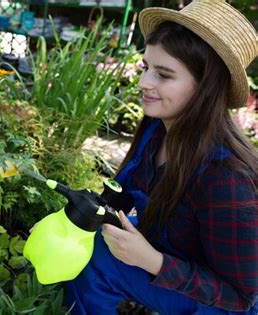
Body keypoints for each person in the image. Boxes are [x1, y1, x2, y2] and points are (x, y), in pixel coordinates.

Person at [65, 0, 258, 314]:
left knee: (97, 259)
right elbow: (124, 195)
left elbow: (240, 297)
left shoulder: (226, 179)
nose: (143, 83)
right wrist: (86, 213)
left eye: (164, 75)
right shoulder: (157, 130)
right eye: (145, 68)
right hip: (174, 264)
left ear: (205, 88)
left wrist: (152, 262)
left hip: (220, 304)